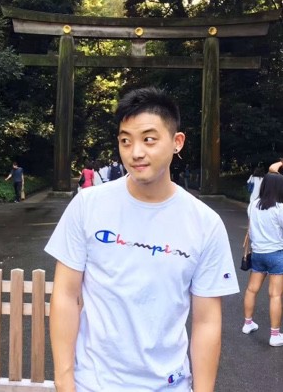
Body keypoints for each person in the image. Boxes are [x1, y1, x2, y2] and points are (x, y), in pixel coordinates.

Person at [45, 87, 239, 392]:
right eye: (126, 140)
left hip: (169, 385)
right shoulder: (88, 205)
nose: (135, 152)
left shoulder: (205, 224)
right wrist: (64, 380)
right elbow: (66, 295)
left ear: (177, 142)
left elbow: (207, 321)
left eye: (149, 139)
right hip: (93, 384)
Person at [242, 172, 283, 347]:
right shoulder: (280, 208)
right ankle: (275, 335)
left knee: (251, 290)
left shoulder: (253, 205)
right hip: (276, 255)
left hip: (257, 254)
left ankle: (247, 323)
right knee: (275, 295)